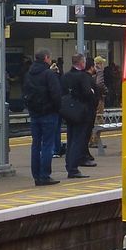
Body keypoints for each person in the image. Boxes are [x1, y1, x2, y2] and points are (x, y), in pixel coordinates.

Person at [23, 48, 62, 186]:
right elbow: (56, 94)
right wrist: (57, 109)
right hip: (49, 114)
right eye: (49, 58)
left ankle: (36, 175)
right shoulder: (48, 74)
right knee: (47, 145)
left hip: (34, 114)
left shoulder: (29, 74)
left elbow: (25, 93)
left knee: (35, 145)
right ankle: (45, 175)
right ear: (46, 58)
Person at [61, 53, 97, 179]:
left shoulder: (66, 76)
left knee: (70, 139)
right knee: (78, 141)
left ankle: (69, 164)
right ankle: (73, 168)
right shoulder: (83, 77)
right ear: (82, 63)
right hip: (81, 113)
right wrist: (92, 92)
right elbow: (88, 93)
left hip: (69, 112)